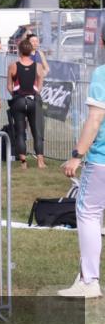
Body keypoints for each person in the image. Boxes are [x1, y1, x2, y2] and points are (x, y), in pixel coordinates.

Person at [59, 27, 105, 299]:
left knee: (88, 213)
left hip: (101, 160)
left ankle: (89, 280)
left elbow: (96, 118)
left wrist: (77, 154)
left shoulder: (102, 74)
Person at [8, 38, 45, 169]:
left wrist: (15, 95)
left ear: (19, 51)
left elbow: (9, 86)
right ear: (30, 51)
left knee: (20, 132)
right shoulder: (38, 66)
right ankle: (40, 162)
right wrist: (34, 93)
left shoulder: (13, 65)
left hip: (18, 101)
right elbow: (40, 85)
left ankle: (23, 163)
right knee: (37, 131)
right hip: (33, 100)